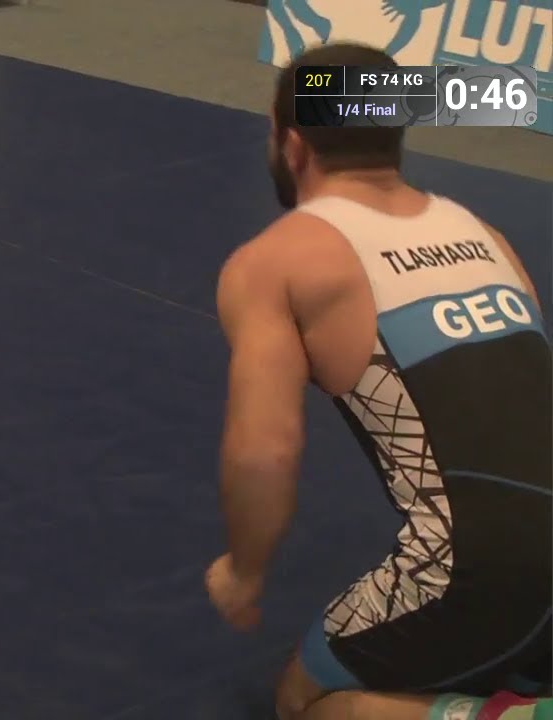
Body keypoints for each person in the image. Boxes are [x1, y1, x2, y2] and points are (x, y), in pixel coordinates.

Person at [204, 42, 551, 720]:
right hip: (526, 551)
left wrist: (243, 573)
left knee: (307, 701)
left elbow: (264, 451)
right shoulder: (485, 234)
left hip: (482, 564)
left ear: (291, 143)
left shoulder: (277, 261)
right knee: (507, 641)